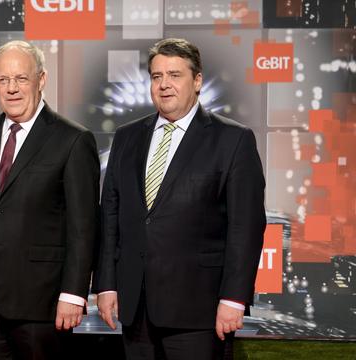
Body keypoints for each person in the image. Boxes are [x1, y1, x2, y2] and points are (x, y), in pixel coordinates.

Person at [93, 38, 266, 360]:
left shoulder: (233, 139)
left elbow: (246, 227)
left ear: (197, 80)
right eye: (157, 77)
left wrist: (234, 299)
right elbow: (111, 216)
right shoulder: (127, 137)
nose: (164, 85)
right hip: (136, 308)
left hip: (200, 309)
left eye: (175, 75)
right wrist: (106, 285)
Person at [0, 40, 100, 360]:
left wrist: (74, 293)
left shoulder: (72, 139)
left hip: (42, 302)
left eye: (21, 79)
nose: (12, 89)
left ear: (41, 80)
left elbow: (83, 226)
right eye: (4, 80)